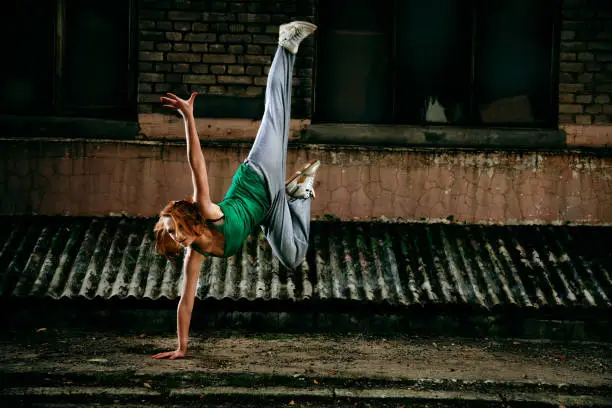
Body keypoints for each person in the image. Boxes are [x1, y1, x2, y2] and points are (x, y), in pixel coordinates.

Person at [152, 21, 319, 360]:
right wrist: (181, 348)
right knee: (294, 256)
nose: (176, 237)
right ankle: (297, 194)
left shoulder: (207, 211)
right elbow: (186, 300)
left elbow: (196, 163)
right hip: (268, 210)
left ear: (189, 220)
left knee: (277, 115)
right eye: (171, 233)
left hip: (258, 177)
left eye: (176, 229)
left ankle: (285, 43)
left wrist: (188, 118)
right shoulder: (194, 252)